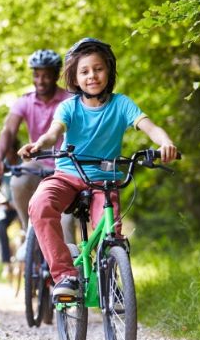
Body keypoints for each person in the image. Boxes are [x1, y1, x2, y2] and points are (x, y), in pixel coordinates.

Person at [18, 38, 178, 299]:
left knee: (111, 232)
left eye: (98, 69)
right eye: (84, 71)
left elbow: (151, 127)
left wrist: (166, 143)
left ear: (109, 71)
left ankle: (110, 278)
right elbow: (53, 133)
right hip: (68, 176)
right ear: (75, 77)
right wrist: (39, 144)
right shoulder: (69, 106)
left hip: (105, 181)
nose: (92, 75)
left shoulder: (121, 104)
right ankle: (65, 277)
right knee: (40, 204)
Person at [0, 49, 76, 242]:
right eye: (36, 75)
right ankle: (27, 231)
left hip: (67, 165)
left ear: (56, 76)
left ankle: (72, 270)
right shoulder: (25, 101)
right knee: (18, 180)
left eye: (46, 75)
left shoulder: (69, 100)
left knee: (66, 223)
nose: (40, 80)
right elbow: (8, 131)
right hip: (38, 162)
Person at [0, 138, 22, 279]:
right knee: (0, 223)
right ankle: (6, 263)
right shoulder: (1, 164)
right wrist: (1, 199)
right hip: (8, 205)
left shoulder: (24, 162)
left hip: (23, 203)